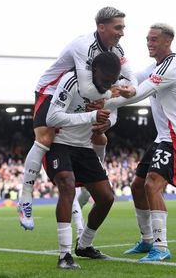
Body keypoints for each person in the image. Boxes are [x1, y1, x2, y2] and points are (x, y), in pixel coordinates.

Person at [18, 6, 137, 231]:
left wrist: (131, 90)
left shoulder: (117, 50)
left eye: (123, 27)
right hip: (53, 89)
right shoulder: (84, 46)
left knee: (99, 137)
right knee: (45, 137)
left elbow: (132, 81)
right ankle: (25, 198)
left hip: (81, 96)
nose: (122, 32)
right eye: (118, 27)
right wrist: (116, 92)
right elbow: (87, 89)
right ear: (101, 28)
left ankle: (89, 186)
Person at [103, 23, 176, 261]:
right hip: (163, 137)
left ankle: (161, 246)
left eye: (154, 39)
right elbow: (134, 81)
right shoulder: (157, 66)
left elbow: (140, 92)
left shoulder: (170, 69)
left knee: (152, 185)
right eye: (147, 39)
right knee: (137, 186)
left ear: (168, 42)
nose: (149, 43)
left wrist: (106, 101)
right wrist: (112, 86)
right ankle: (147, 241)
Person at [44, 51, 122, 269]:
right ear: (94, 71)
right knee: (67, 187)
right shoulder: (72, 80)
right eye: (106, 79)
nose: (109, 84)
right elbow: (52, 117)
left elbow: (112, 114)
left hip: (84, 146)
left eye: (112, 80)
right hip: (60, 143)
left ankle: (84, 244)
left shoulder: (109, 88)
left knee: (106, 198)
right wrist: (90, 116)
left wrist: (106, 123)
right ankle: (64, 255)